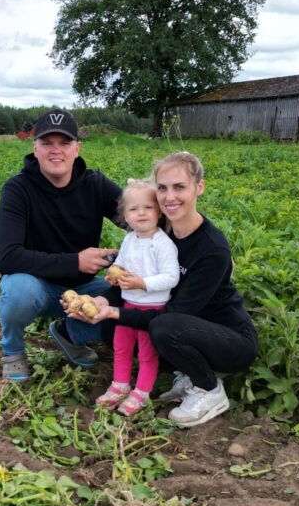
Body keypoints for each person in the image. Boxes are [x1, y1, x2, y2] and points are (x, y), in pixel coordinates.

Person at [54, 151, 257, 427]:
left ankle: (209, 389)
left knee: (161, 327)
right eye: (162, 188)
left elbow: (171, 313)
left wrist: (115, 312)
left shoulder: (212, 249)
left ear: (200, 187)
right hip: (187, 325)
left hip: (229, 340)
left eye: (179, 187)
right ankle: (185, 371)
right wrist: (101, 300)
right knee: (114, 328)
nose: (170, 196)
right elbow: (132, 283)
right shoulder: (159, 231)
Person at [0, 108, 121, 382]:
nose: (56, 151)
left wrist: (199, 239)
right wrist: (75, 261)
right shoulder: (18, 189)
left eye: (64, 143)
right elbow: (7, 257)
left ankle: (68, 333)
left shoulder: (95, 185)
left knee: (134, 300)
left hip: (84, 290)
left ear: (77, 148)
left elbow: (140, 216)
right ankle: (13, 352)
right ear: (35, 148)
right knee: (18, 291)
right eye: (47, 143)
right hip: (37, 286)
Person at [95, 179, 180, 416]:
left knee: (146, 353)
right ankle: (120, 385)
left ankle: (142, 392)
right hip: (127, 306)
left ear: (159, 211)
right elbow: (122, 262)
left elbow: (171, 278)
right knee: (121, 347)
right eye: (134, 209)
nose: (141, 213)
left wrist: (143, 283)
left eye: (148, 207)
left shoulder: (163, 244)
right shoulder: (129, 240)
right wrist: (114, 275)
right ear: (125, 215)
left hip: (152, 310)